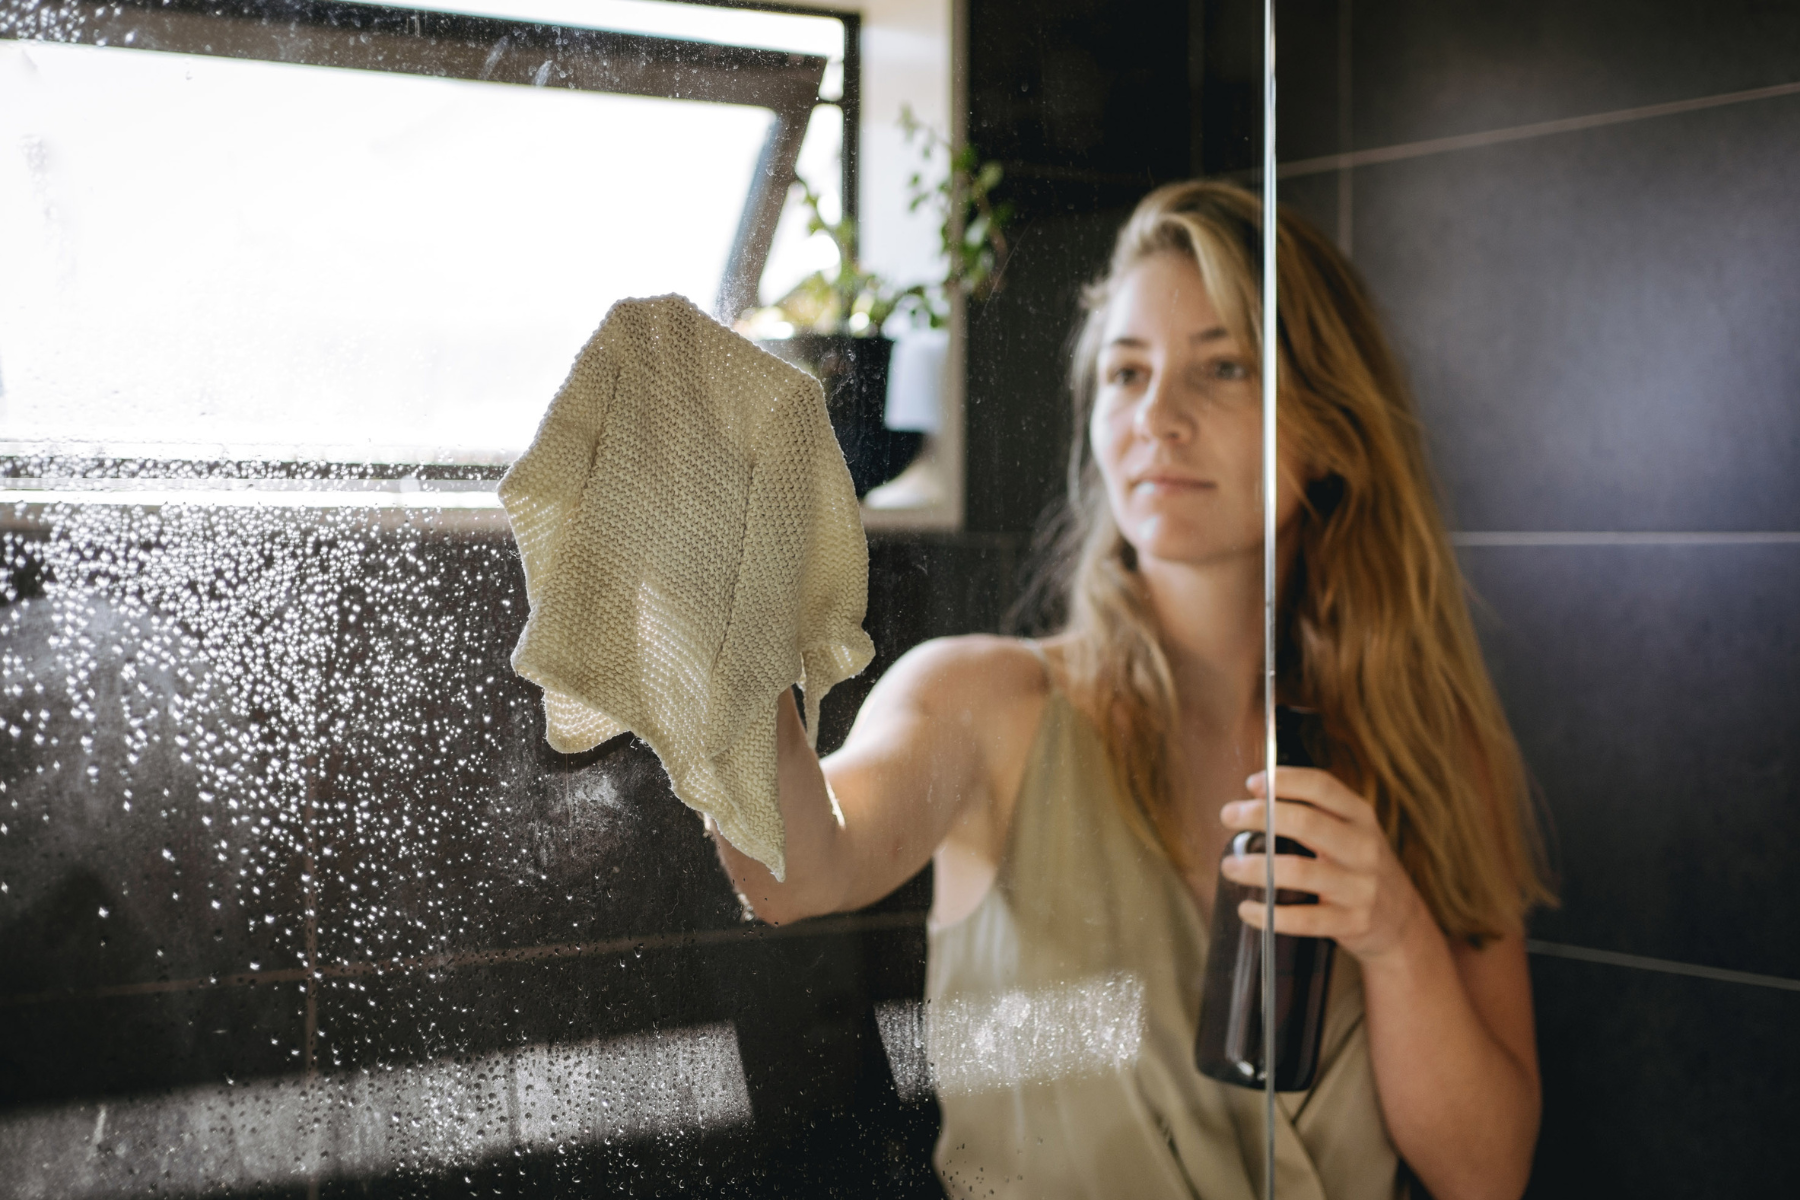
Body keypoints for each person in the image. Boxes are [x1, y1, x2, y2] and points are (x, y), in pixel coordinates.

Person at [709, 181, 1554, 1200]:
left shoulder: (1423, 751)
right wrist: (736, 601)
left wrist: (1398, 937)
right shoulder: (989, 705)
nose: (1158, 414)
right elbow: (795, 872)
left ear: (1328, 430)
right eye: (1127, 372)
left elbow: (1488, 1173)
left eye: (1223, 366)